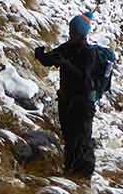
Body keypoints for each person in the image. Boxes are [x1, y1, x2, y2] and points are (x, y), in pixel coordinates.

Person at [34, 11, 113, 177]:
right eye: (71, 31)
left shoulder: (88, 53)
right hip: (66, 101)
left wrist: (65, 64)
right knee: (70, 139)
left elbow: (86, 80)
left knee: (82, 141)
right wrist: (41, 56)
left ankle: (83, 178)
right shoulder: (67, 47)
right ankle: (69, 173)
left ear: (81, 33)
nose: (71, 34)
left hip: (83, 104)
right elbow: (49, 59)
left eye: (74, 32)